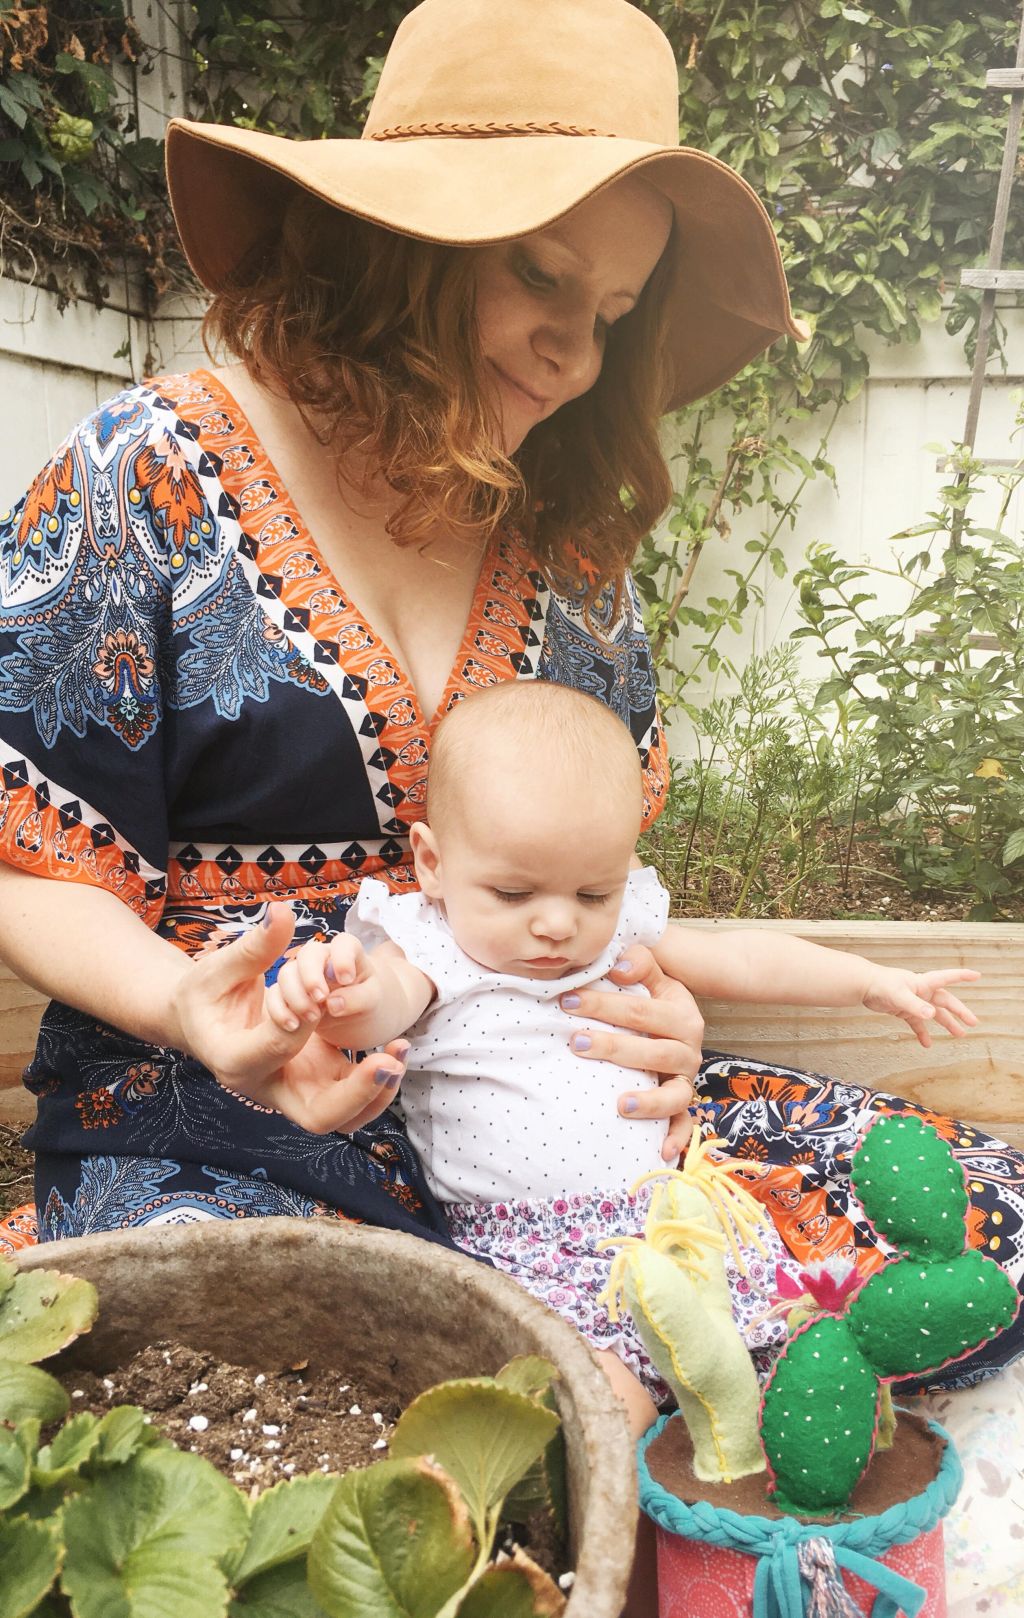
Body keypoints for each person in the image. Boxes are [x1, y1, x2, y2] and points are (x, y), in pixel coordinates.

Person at [0, 0, 1020, 1388]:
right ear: (390, 245)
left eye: (608, 312)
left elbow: (590, 886)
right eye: (539, 276)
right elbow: (34, 857)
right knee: (304, 1393)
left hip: (542, 1107)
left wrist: (662, 1019)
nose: (577, 354)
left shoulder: (571, 559)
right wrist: (192, 1006)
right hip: (212, 1113)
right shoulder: (148, 473)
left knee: (978, 1227)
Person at [262, 679, 985, 1440]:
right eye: (512, 893)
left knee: (780, 1381)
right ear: (433, 863)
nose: (556, 923)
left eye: (593, 892)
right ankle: (636, 1534)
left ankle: (783, 1515)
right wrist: (337, 995)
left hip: (671, 1225)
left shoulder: (616, 930)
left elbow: (741, 961)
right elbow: (385, 1005)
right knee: (601, 1410)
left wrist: (870, 983)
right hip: (527, 1249)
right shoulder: (432, 944)